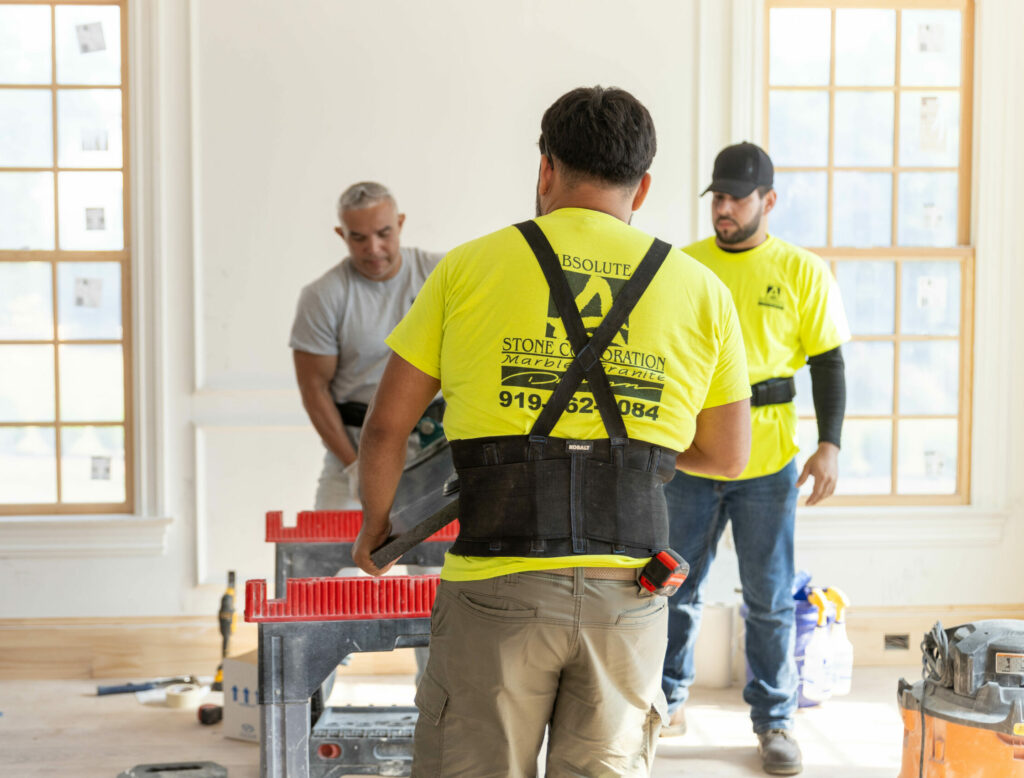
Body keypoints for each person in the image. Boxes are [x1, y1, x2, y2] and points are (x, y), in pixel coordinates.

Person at [353, 86, 752, 777]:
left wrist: (375, 526)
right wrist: (629, 445)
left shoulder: (468, 267)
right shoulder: (700, 289)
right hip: (628, 595)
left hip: (495, 587)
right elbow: (726, 454)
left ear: (545, 170)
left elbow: (388, 427)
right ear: (644, 186)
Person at [659, 142, 850, 776]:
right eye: (717, 196)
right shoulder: (684, 267)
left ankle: (774, 721)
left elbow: (828, 363)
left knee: (768, 599)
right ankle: (666, 701)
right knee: (672, 584)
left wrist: (830, 444)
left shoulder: (801, 271)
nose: (724, 208)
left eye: (737, 197)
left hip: (768, 464)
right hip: (690, 458)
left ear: (768, 201)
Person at [289, 182, 443, 677]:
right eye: (358, 238)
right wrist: (358, 468)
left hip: (434, 450)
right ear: (342, 235)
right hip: (354, 445)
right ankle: (311, 695)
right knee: (321, 572)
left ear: (400, 225)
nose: (373, 249)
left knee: (438, 577)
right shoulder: (324, 295)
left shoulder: (440, 275)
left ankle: (439, 708)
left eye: (382, 233)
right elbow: (315, 391)